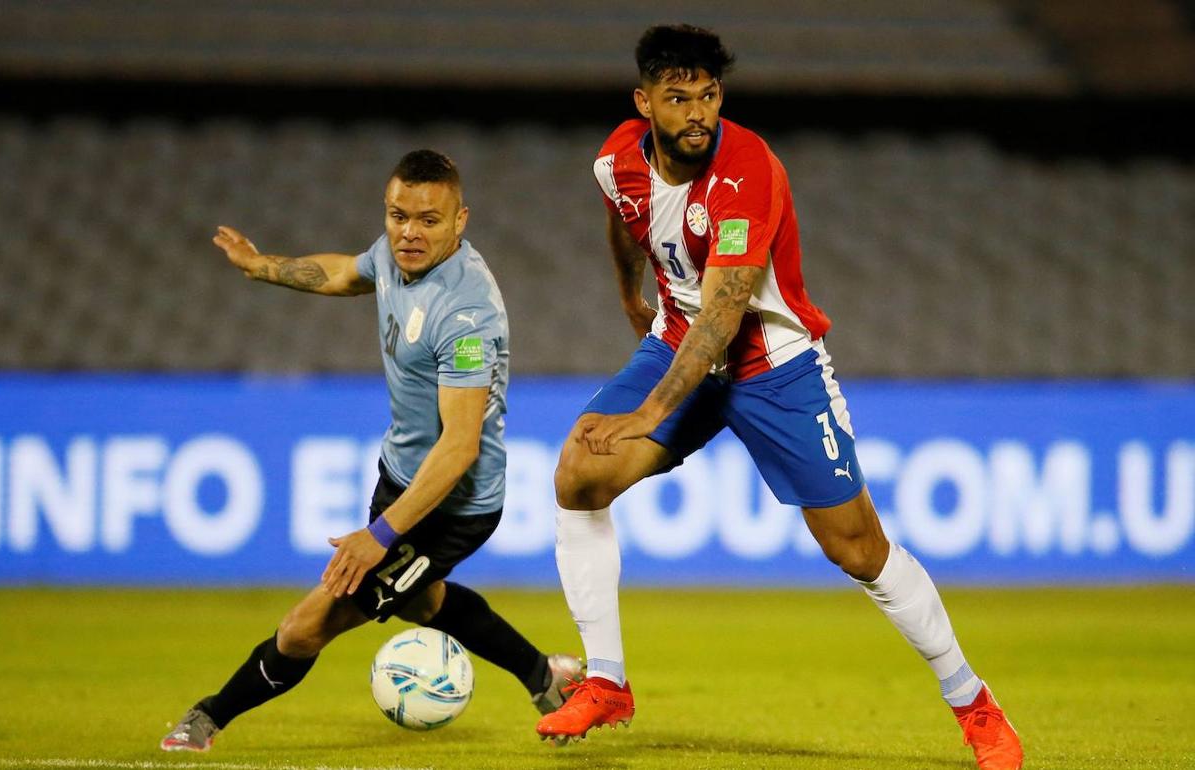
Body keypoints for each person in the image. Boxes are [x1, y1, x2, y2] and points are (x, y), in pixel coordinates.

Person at [534, 25, 1024, 770]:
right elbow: (625, 219)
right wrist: (631, 294)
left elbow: (726, 313)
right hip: (676, 343)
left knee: (858, 548)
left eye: (708, 95)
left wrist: (647, 414)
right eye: (678, 98)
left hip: (772, 363)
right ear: (645, 104)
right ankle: (607, 681)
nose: (698, 112)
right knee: (577, 475)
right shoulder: (615, 161)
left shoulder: (746, 169)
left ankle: (974, 704)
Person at [161, 149, 581, 752]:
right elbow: (345, 272)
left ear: (460, 221)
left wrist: (379, 536)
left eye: (428, 220)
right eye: (397, 215)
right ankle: (547, 676)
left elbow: (460, 447)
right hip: (401, 474)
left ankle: (205, 719)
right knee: (422, 600)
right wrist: (262, 267)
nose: (409, 232)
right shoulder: (395, 254)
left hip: (452, 505)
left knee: (310, 623)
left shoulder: (466, 313)